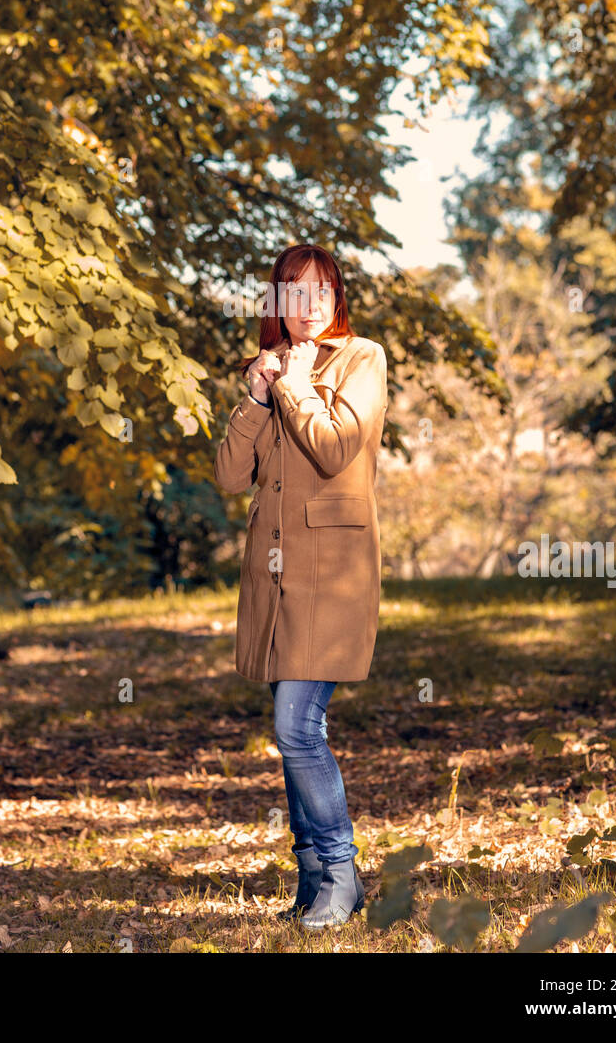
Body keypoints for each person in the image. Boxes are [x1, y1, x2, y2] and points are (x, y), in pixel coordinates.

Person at [213, 244, 388, 930]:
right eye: (293, 291)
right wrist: (257, 395)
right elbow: (232, 476)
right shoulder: (268, 370)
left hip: (332, 573)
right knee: (294, 733)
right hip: (275, 571)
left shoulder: (361, 359)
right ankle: (313, 880)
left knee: (296, 725)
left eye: (321, 290)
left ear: (336, 297)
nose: (307, 305)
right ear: (276, 303)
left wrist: (294, 383)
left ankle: (340, 877)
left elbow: (336, 446)